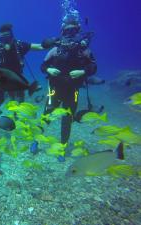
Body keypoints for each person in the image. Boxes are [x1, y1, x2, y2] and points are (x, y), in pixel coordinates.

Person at [41, 19, 97, 159]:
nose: (70, 34)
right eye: (67, 31)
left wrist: (82, 72)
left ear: (78, 32)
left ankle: (62, 147)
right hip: (54, 89)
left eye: (73, 30)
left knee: (67, 118)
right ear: (62, 32)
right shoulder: (55, 49)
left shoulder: (83, 50)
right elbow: (42, 66)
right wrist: (49, 69)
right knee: (47, 114)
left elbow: (93, 67)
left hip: (73, 91)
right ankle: (36, 138)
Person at [0, 23, 45, 105]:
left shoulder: (19, 46)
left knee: (18, 109)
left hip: (16, 83)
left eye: (8, 38)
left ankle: (15, 114)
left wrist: (54, 42)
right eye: (3, 39)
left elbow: (39, 47)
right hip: (0, 83)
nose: (6, 41)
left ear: (12, 37)